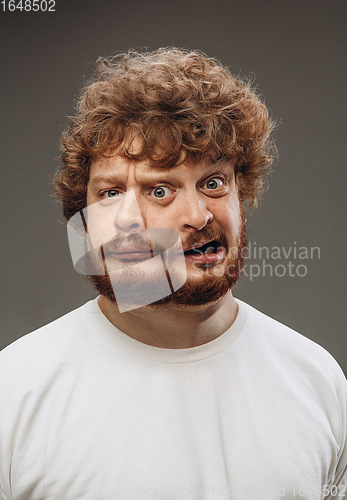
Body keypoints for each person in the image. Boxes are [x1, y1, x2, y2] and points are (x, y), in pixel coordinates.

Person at [0, 48, 346, 500]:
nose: (199, 215)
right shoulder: (15, 392)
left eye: (213, 183)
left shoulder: (318, 381)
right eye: (160, 190)